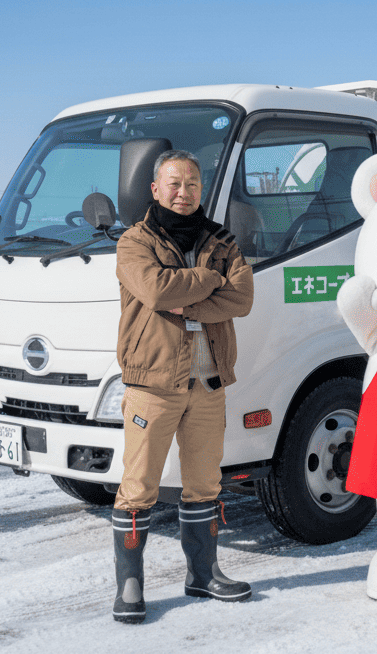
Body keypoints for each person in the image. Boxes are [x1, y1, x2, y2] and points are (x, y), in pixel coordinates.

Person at [110, 149, 255, 624]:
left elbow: (241, 298)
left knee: (204, 484)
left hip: (208, 382)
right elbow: (154, 291)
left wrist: (187, 301)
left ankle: (203, 573)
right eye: (174, 183)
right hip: (153, 383)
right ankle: (130, 585)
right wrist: (208, 280)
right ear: (155, 189)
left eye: (192, 183)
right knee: (138, 487)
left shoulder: (222, 240)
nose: (184, 192)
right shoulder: (134, 242)